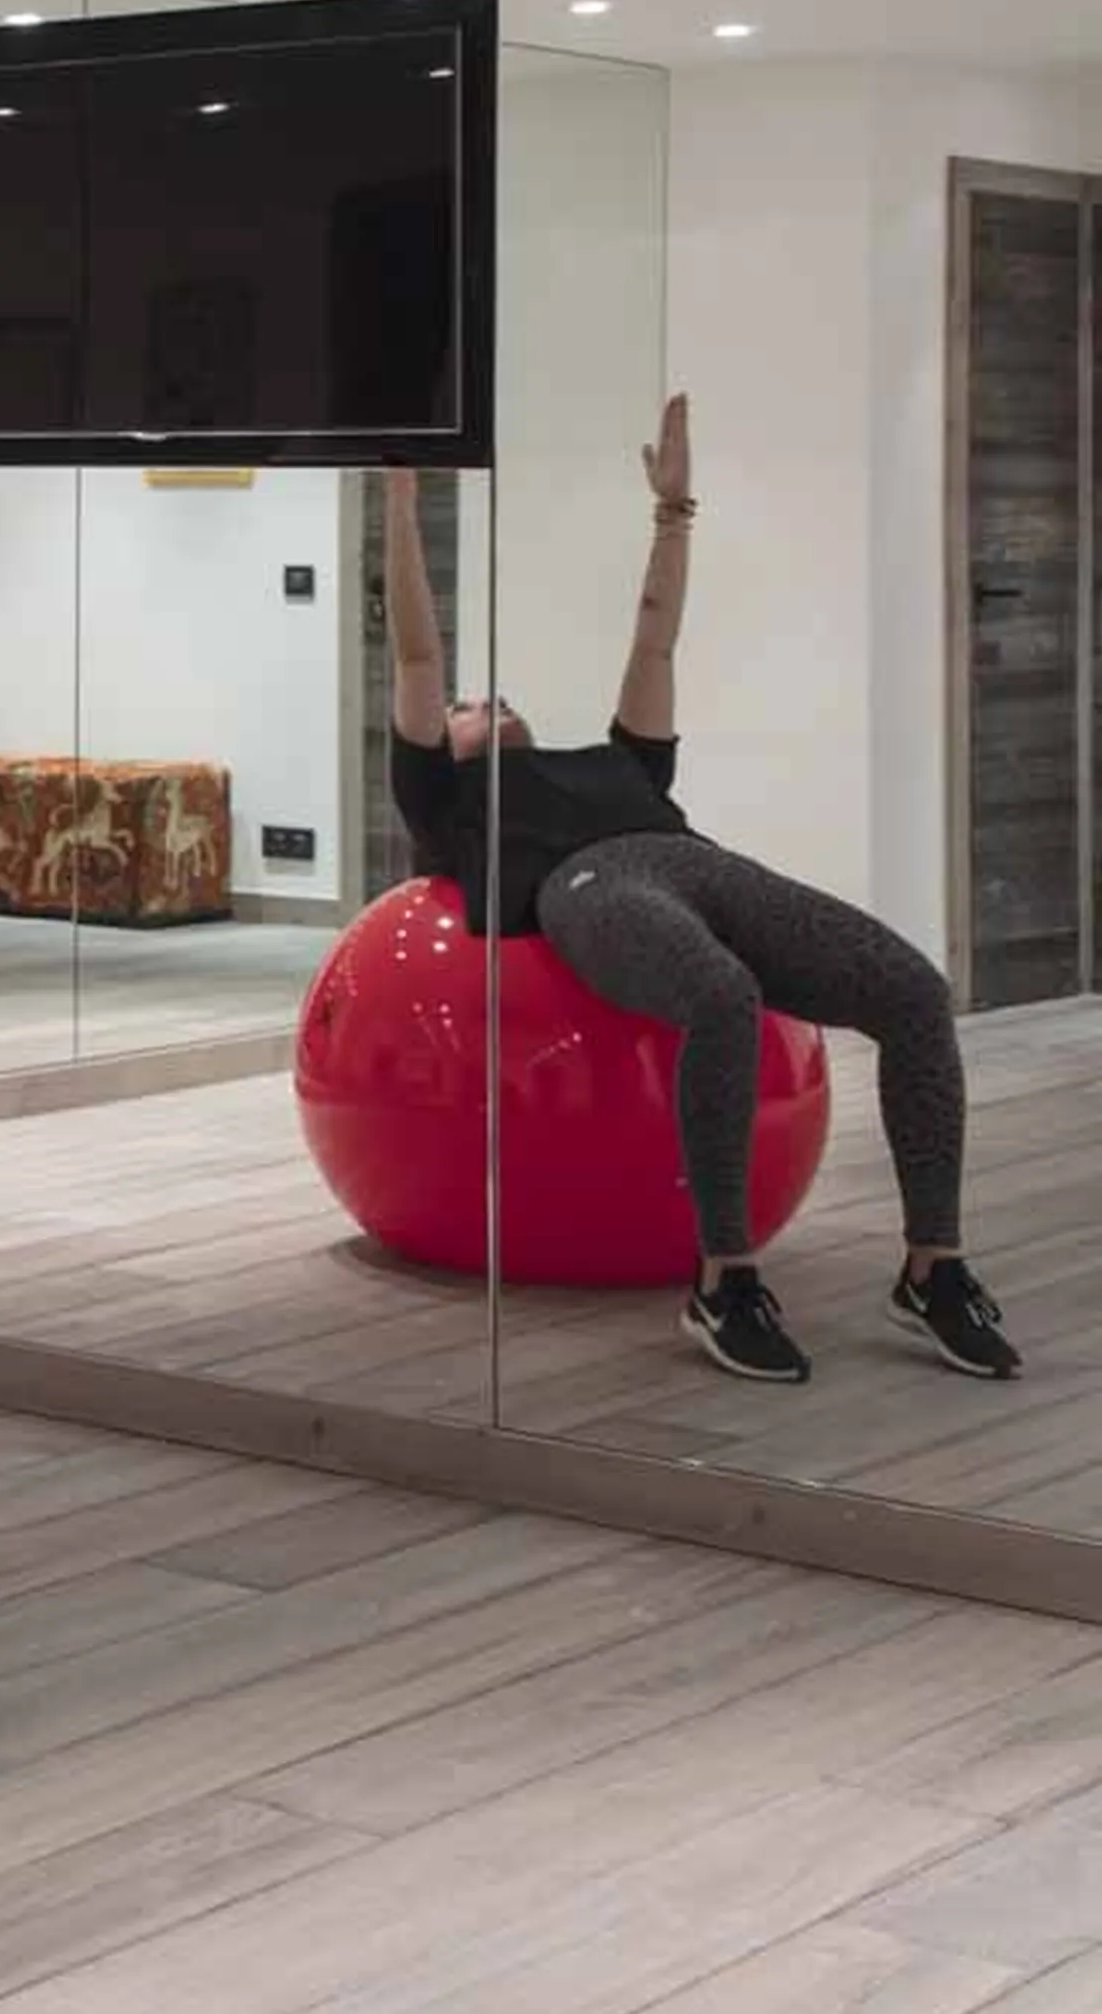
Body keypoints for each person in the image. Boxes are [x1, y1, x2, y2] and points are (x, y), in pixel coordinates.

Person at [382, 397, 1013, 1384]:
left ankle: (934, 1266)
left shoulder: (618, 763)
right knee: (722, 999)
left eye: (490, 695)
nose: (480, 698)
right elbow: (418, 653)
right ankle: (725, 1284)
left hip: (709, 868)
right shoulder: (448, 797)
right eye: (466, 705)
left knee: (915, 992)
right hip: (590, 886)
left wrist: (675, 514)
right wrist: (401, 494)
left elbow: (655, 641)